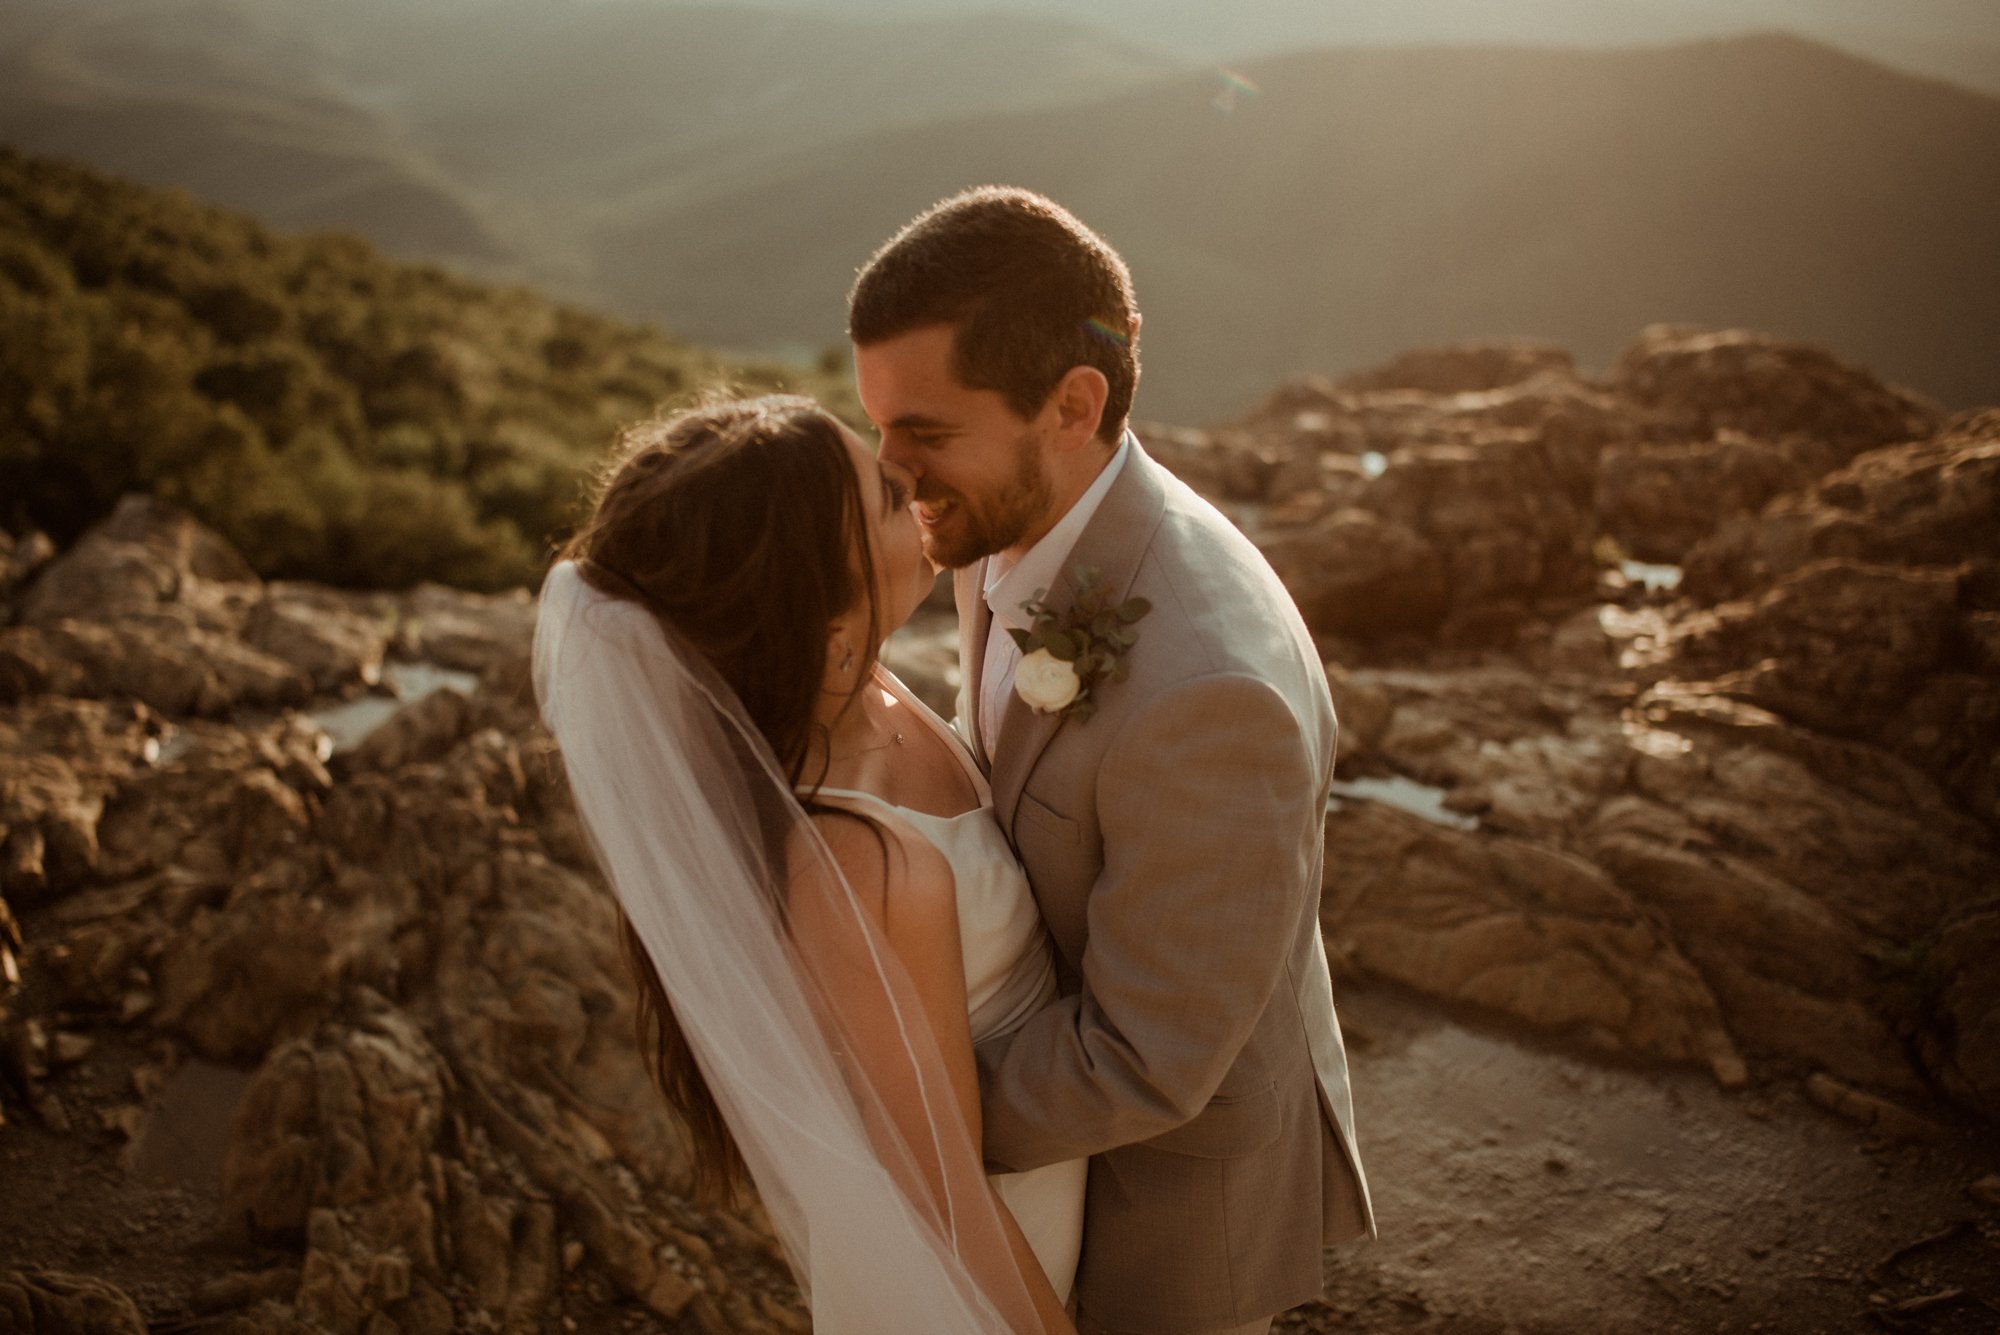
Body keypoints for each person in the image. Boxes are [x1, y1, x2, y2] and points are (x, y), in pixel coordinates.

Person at [849, 186, 1375, 1335]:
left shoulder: (1206, 695)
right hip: (1049, 1155)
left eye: (926, 432)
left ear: (1071, 405)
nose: (889, 470)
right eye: (878, 426)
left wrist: (881, 1117)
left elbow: (1144, 1056)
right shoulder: (1030, 523)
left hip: (1160, 1220)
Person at [533, 395, 1083, 1333]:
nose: (907, 477)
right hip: (978, 1281)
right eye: (880, 494)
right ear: (828, 629)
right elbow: (941, 1198)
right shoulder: (861, 865)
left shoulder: (871, 687)